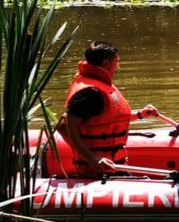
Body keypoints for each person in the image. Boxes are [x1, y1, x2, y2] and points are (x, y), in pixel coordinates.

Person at [58, 41, 157, 176]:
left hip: (113, 166)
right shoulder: (91, 92)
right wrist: (92, 158)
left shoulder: (93, 83)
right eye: (116, 62)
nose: (118, 66)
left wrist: (139, 114)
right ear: (105, 63)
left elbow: (105, 118)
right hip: (99, 170)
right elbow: (64, 124)